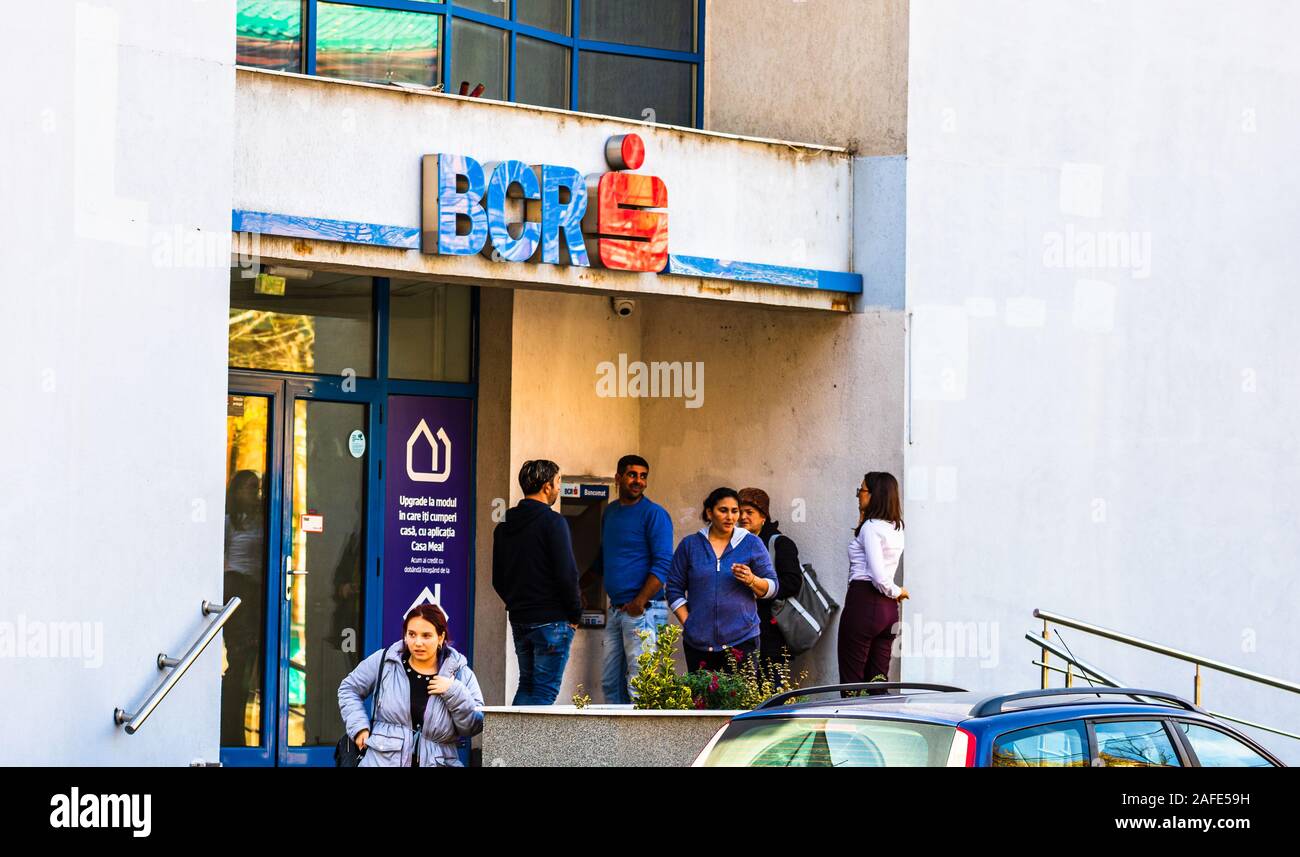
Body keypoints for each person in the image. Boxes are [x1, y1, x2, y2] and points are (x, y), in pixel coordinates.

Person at [337, 603, 483, 767]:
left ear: (441, 637)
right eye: (412, 634)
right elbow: (349, 689)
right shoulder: (386, 661)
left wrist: (453, 691)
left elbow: (474, 725)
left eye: (426, 635)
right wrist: (359, 727)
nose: (418, 642)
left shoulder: (460, 673)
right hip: (381, 761)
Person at [492, 459, 581, 704]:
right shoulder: (554, 522)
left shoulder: (504, 524)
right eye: (558, 482)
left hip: (520, 619)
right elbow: (567, 574)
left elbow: (497, 578)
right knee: (543, 693)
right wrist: (575, 615)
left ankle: (512, 743)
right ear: (546, 486)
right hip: (552, 621)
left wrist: (516, 603)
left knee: (527, 685)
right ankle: (526, 744)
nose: (559, 488)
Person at [666, 487, 779, 672]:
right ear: (709, 513)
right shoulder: (690, 545)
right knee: (703, 700)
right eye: (723, 510)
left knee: (741, 700)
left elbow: (773, 587)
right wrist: (689, 622)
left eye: (735, 511)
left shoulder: (751, 543)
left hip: (742, 640)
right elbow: (673, 588)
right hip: (698, 644)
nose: (730, 517)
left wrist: (752, 580)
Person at [592, 454, 674, 703]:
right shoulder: (611, 513)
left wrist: (639, 602)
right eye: (632, 474)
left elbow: (663, 564)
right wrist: (578, 587)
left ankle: (643, 742)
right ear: (618, 478)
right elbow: (603, 558)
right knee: (610, 683)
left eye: (643, 476)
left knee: (641, 686)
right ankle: (616, 743)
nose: (638, 481)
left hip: (645, 611)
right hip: (617, 610)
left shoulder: (654, 514)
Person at [837, 471, 908, 688]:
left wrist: (897, 590)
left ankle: (850, 721)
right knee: (877, 680)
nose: (859, 495)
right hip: (887, 611)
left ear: (875, 494)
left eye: (862, 490)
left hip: (864, 601)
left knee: (852, 679)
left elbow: (878, 575)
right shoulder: (896, 528)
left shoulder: (871, 527)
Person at [737, 487, 804, 671]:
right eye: (739, 512)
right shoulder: (733, 544)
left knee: (771, 691)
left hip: (770, 633)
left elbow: (792, 583)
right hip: (739, 632)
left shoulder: (780, 543)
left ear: (763, 516)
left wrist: (762, 588)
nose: (743, 517)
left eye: (749, 512)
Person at [221, 470, 264, 747]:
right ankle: (231, 734)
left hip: (257, 592)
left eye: (257, 488)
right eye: (249, 488)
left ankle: (237, 732)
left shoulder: (263, 519)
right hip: (236, 589)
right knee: (239, 662)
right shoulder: (228, 522)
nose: (255, 494)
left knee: (248, 665)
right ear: (236, 492)